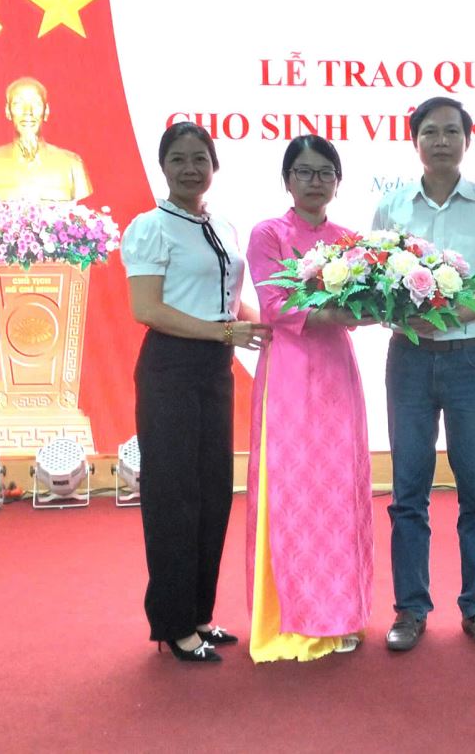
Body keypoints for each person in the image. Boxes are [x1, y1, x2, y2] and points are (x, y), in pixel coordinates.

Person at [371, 96, 475, 653]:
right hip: (408, 359)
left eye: (451, 131)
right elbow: (374, 281)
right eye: (430, 132)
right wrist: (400, 314)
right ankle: (410, 609)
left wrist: (442, 317)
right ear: (415, 141)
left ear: (467, 140)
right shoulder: (392, 207)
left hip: (471, 360)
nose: (441, 141)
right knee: (408, 489)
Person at [122, 121, 270, 664]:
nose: (190, 168)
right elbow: (147, 309)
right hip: (170, 368)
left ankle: (200, 614)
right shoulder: (150, 227)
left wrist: (278, 325)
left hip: (215, 368)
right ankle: (173, 623)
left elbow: (229, 301)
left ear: (214, 165)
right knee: (173, 497)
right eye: (179, 159)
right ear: (163, 166)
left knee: (212, 493)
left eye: (199, 159)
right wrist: (222, 332)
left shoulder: (223, 226)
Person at [243, 136, 374, 662]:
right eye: (303, 172)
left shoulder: (350, 241)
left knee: (339, 492)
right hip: (290, 375)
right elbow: (274, 306)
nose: (314, 182)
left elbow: (362, 309)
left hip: (337, 372)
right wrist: (337, 313)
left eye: (325, 173)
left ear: (338, 183)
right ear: (287, 180)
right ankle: (295, 618)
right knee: (293, 492)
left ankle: (340, 614)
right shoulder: (268, 234)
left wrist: (369, 311)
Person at [0, 76, 93, 202]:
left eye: (36, 104)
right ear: (8, 111)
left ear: (46, 111)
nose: (28, 112)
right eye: (18, 104)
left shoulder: (72, 164)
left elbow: (84, 210)